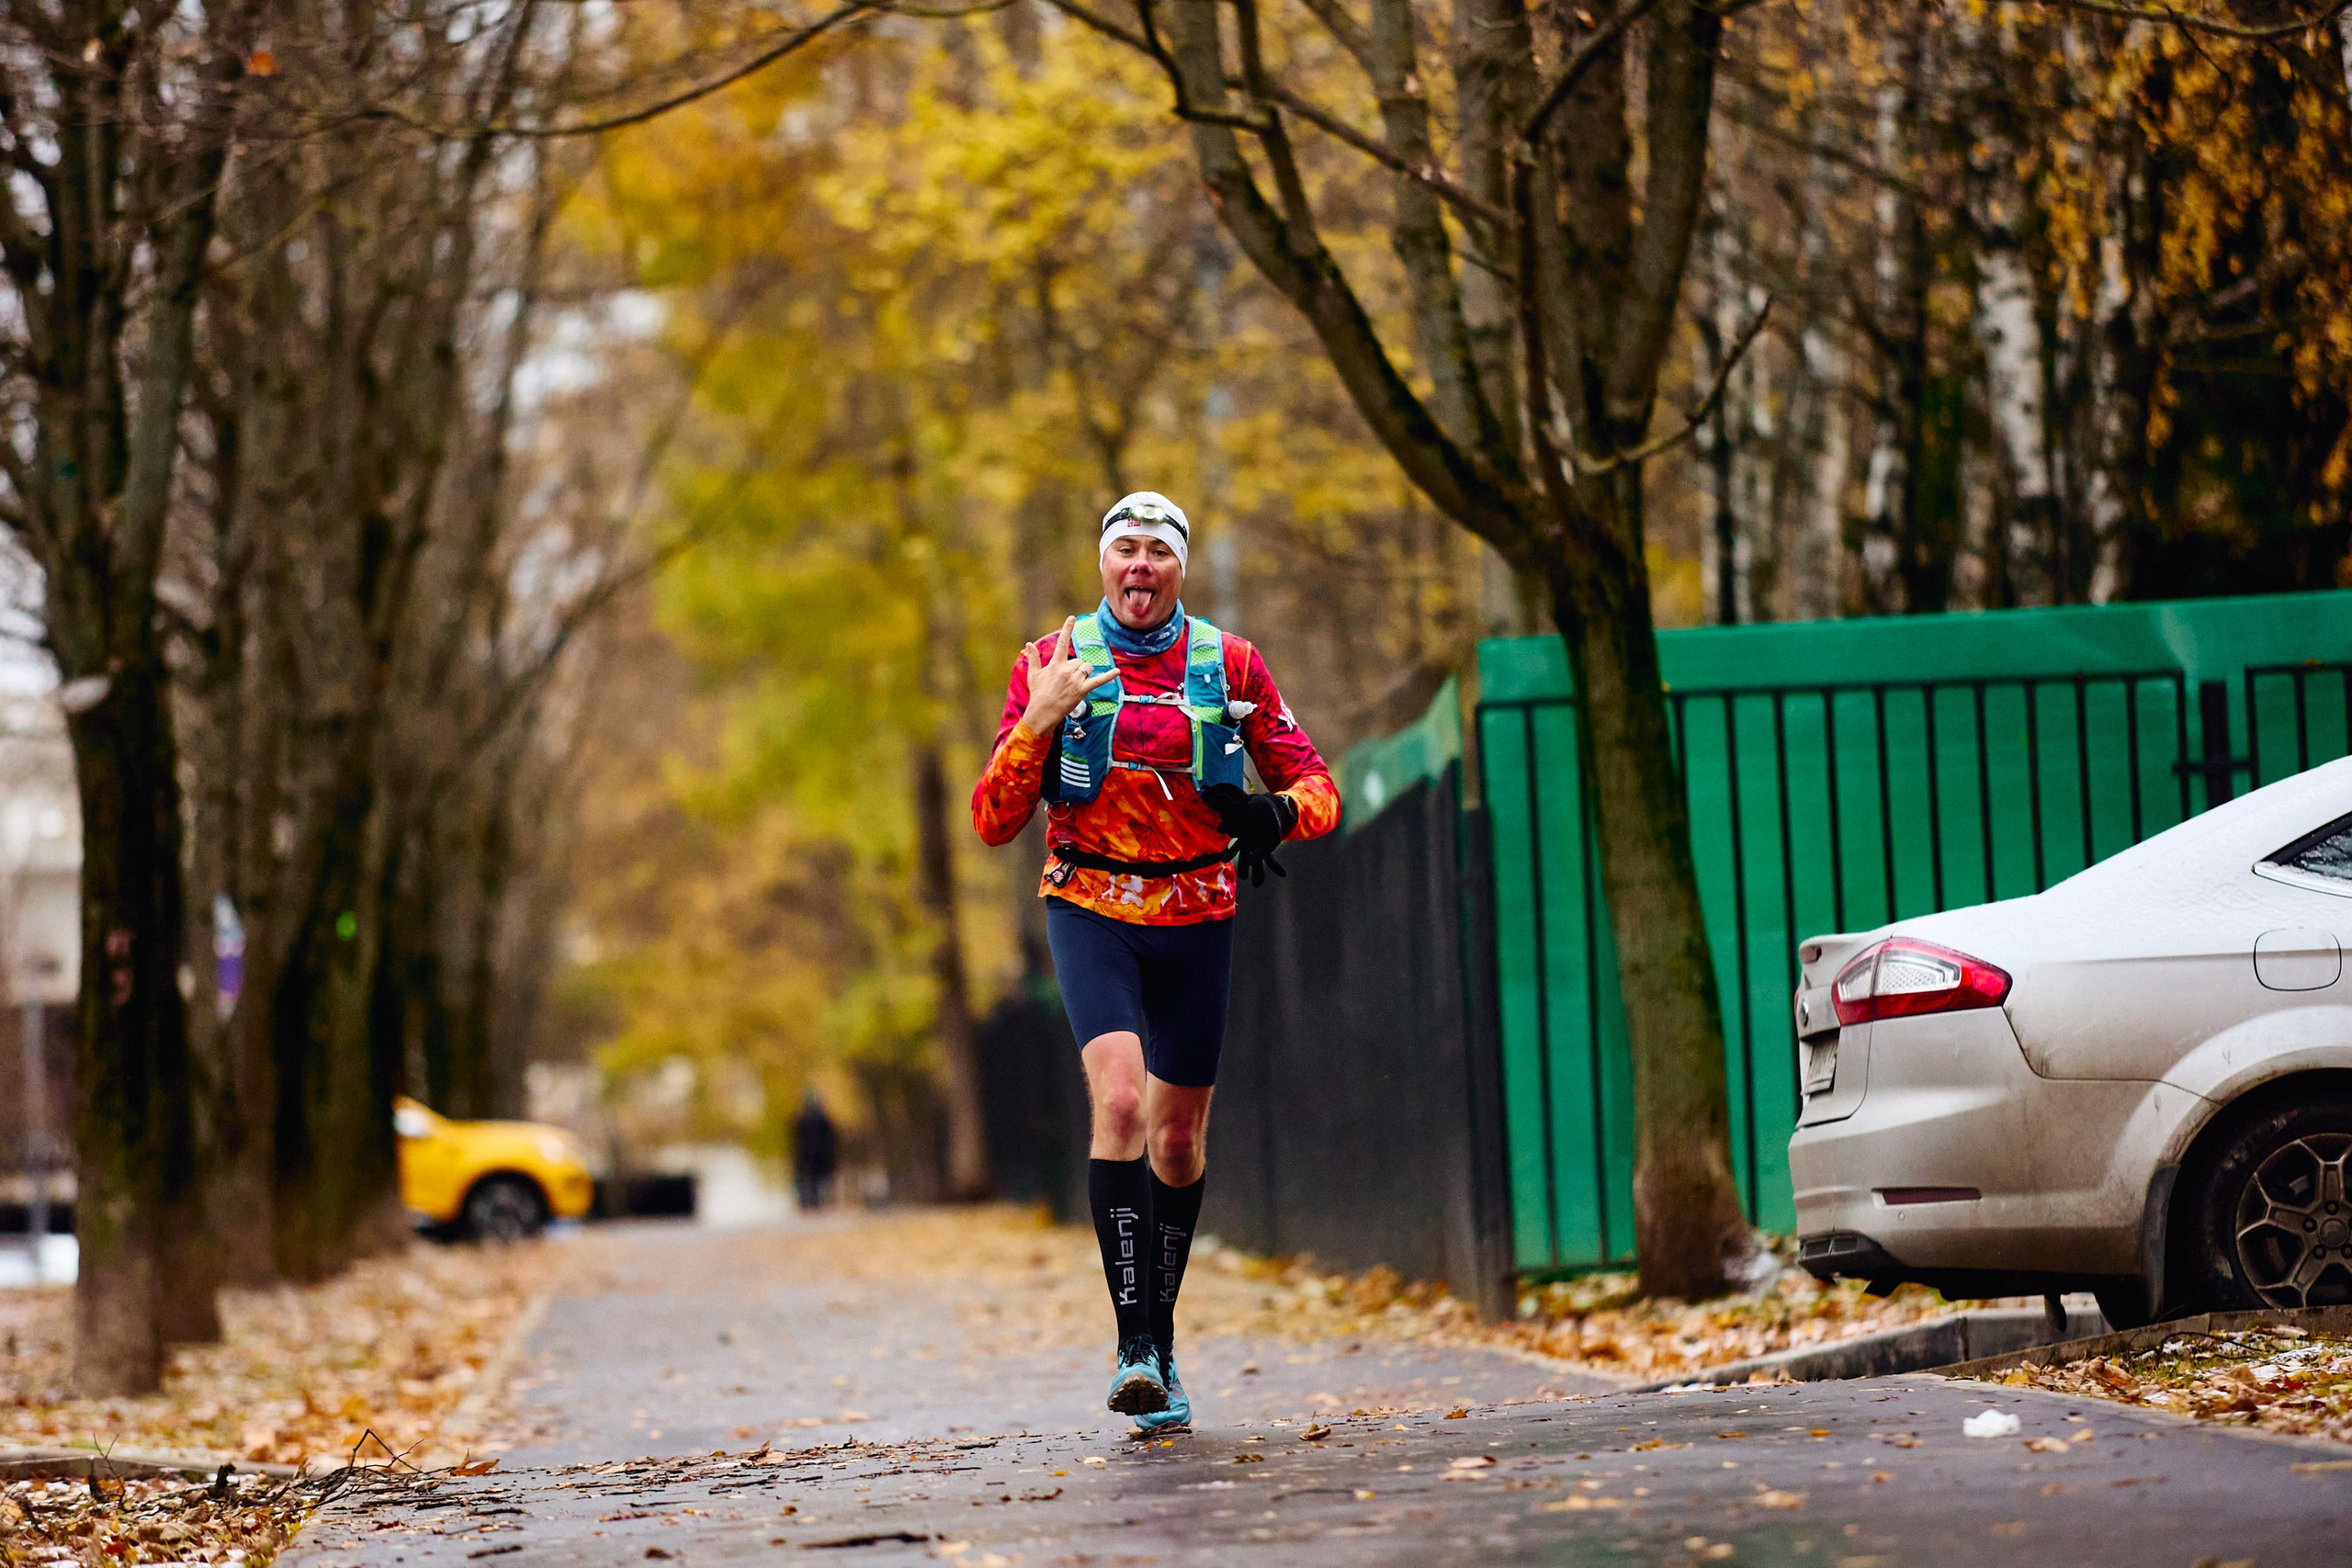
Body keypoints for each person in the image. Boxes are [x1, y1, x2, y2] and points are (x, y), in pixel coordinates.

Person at [971, 491, 1340, 1432]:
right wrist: (1036, 721)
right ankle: (1134, 1345)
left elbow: (1317, 787)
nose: (1140, 565)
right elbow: (992, 820)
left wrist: (1275, 812)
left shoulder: (1231, 663)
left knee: (1176, 1141)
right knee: (1122, 1102)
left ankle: (1161, 1346)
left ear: (1180, 567)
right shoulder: (1049, 660)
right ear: (1103, 562)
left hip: (1198, 911)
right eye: (1125, 548)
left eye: (1158, 551)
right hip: (1090, 904)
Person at [793, 1089, 840, 1212]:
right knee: (818, 1180)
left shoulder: (802, 1119)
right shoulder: (823, 1119)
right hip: (820, 1154)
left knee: (811, 1180)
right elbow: (830, 1138)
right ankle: (817, 1203)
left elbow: (797, 1139)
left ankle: (811, 1203)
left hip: (808, 1154)